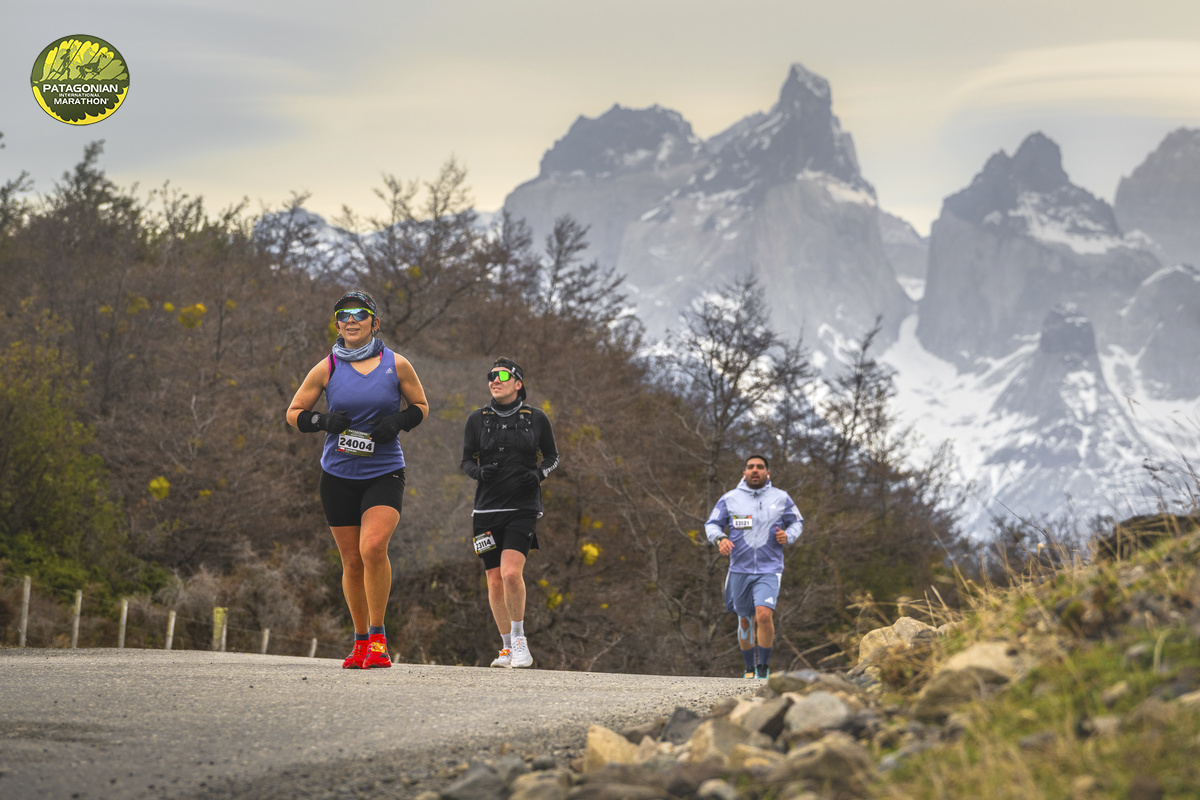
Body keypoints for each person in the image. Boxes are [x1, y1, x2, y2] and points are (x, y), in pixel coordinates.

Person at [287, 290, 428, 669]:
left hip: (384, 471)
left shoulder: (397, 365)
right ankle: (361, 641)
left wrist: (397, 422)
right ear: (337, 325)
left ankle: (379, 640)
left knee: (373, 547)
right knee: (351, 562)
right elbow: (294, 412)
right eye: (344, 315)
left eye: (359, 314)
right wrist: (322, 421)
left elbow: (420, 406)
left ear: (374, 323)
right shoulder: (326, 368)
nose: (351, 320)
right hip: (337, 475)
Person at [460, 358, 558, 669]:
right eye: (491, 375)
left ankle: (519, 640)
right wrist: (478, 472)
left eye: (502, 375)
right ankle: (505, 648)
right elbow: (465, 461)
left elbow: (553, 457)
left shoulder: (536, 418)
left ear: (518, 383)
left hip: (522, 508)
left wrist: (539, 475)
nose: (494, 380)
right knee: (493, 580)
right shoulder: (476, 419)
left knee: (511, 574)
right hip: (485, 511)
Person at [705, 455, 803, 679]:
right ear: (744, 473)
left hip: (770, 569)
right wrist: (720, 539)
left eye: (760, 467)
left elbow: (797, 522)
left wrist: (788, 535)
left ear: (768, 473)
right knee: (744, 619)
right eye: (750, 467)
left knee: (764, 615)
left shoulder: (781, 497)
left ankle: (763, 668)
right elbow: (712, 524)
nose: (755, 470)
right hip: (739, 569)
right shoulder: (730, 499)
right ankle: (749, 667)